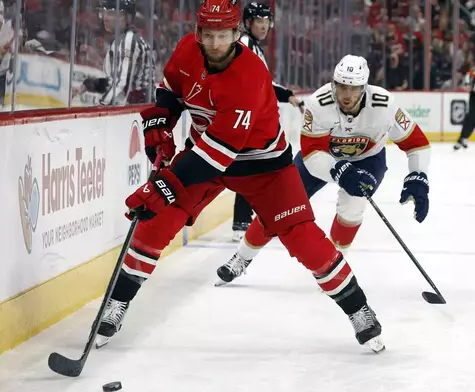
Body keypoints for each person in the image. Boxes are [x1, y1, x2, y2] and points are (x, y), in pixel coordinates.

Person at [96, 0, 384, 353]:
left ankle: (360, 311)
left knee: (304, 239)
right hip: (206, 152)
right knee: (155, 222)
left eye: (223, 35)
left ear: (236, 34)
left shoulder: (249, 76)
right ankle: (117, 304)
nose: (215, 43)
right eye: (208, 35)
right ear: (198, 32)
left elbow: (219, 153)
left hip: (263, 166)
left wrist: (165, 184)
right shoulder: (188, 48)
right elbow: (171, 89)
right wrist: (161, 122)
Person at [215, 54, 431, 288]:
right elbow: (312, 152)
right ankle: (241, 258)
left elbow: (416, 143)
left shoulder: (385, 105)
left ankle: (334, 268)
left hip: (367, 160)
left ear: (365, 88)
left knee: (352, 209)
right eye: (342, 87)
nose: (347, 95)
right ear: (333, 84)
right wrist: (339, 170)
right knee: (279, 208)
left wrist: (417, 176)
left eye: (354, 88)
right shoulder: (318, 103)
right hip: (322, 158)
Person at [231, 1, 305, 242]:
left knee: (253, 167)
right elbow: (254, 83)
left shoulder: (252, 45)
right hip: (242, 118)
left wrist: (286, 95)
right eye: (258, 21)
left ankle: (244, 221)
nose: (263, 26)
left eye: (266, 21)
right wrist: (285, 95)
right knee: (251, 167)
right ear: (248, 22)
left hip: (248, 117)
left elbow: (262, 82)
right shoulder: (244, 44)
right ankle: (243, 223)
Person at [73, 0, 155, 105]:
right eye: (104, 13)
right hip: (135, 107)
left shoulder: (129, 41)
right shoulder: (121, 40)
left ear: (127, 18)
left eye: (111, 13)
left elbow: (121, 83)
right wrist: (88, 85)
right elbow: (115, 81)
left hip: (139, 110)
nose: (105, 18)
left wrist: (102, 106)